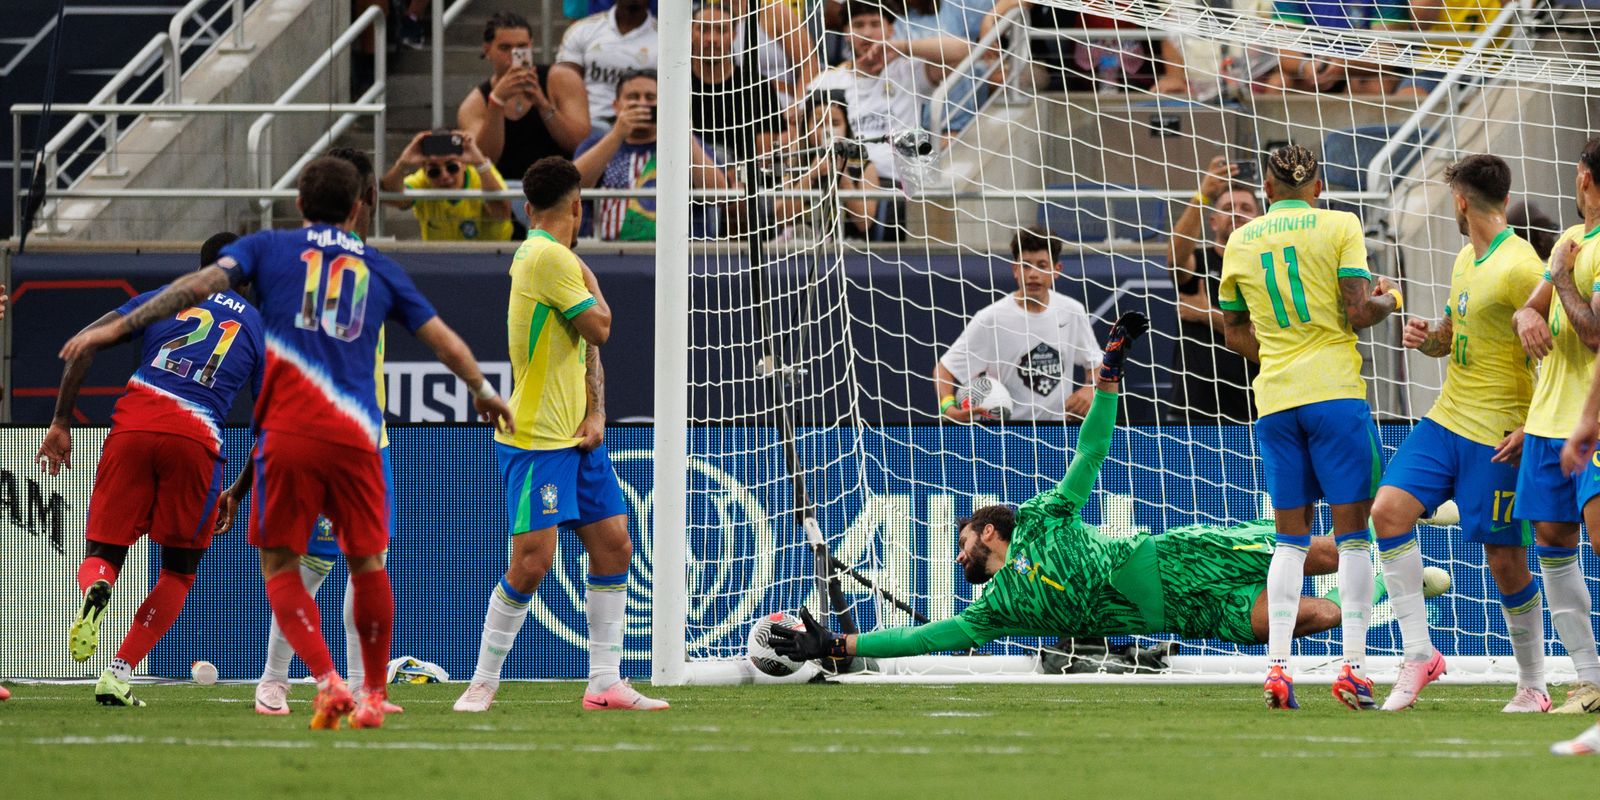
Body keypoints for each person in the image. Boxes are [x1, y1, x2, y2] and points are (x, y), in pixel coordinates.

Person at [59, 157, 514, 730]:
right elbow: (442, 339)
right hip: (357, 434)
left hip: (287, 431)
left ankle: (322, 680)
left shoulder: (269, 249)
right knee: (368, 564)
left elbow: (195, 288)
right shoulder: (379, 268)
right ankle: (371, 695)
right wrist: (483, 390)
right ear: (359, 206)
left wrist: (114, 328)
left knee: (282, 566)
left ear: (298, 204)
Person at [770, 314, 1427, 665]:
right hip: (1190, 616)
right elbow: (926, 639)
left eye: (961, 538)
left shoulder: (1044, 517)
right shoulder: (995, 610)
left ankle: (1400, 535)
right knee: (1314, 617)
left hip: (1183, 558)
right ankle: (1390, 592)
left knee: (1317, 551)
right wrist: (839, 644)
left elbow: (1091, 450)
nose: (958, 551)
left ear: (988, 530)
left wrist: (1108, 377)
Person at [1370, 154, 1584, 713]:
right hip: (1447, 418)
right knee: (1387, 513)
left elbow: (1559, 350)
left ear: (1461, 202)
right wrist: (1430, 337)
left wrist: (1532, 426)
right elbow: (1455, 333)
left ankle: (1533, 683)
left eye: (1452, 202)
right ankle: (1419, 654)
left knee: (1505, 561)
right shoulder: (1466, 257)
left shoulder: (1520, 266)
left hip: (1499, 433)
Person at [454, 157, 667, 713]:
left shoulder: (553, 257)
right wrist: (593, 282)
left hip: (575, 436)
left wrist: (597, 413)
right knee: (531, 562)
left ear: (528, 207)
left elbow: (585, 345)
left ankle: (604, 682)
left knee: (614, 545)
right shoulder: (550, 257)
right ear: (578, 206)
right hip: (538, 439)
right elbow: (600, 327)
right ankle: (482, 682)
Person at [39, 232, 265, 707]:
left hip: (135, 423)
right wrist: (238, 492)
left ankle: (98, 585)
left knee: (105, 550)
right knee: (178, 572)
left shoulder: (164, 297)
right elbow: (271, 426)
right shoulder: (260, 328)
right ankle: (118, 673)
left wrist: (60, 421)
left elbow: (84, 345)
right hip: (197, 439)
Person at [1217, 144, 1400, 710]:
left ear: (1267, 189)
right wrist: (1391, 298)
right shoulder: (1340, 224)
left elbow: (1232, 330)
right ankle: (1354, 670)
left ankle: (1277, 669)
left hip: (1276, 401)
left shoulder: (1240, 240)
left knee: (1290, 541)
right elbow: (1358, 311)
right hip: (1335, 395)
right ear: (1318, 187)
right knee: (1353, 538)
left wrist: (1278, 356)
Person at [233, 147, 402, 717]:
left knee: (366, 560)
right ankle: (275, 680)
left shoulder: (370, 267)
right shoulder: (312, 269)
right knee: (308, 564)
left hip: (367, 438)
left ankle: (360, 687)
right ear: (360, 201)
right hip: (319, 432)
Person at [1511, 139, 1600, 718]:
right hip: (1547, 421)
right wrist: (1526, 313)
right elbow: (1531, 306)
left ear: (1583, 176)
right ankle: (1590, 680)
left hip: (1592, 421)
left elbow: (1595, 335)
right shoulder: (1572, 238)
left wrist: (1564, 279)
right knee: (1552, 544)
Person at [935, 226, 1100, 422]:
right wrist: (948, 407)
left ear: (1057, 270)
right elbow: (944, 370)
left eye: (1041, 265)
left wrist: (1091, 388)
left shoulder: (1072, 311)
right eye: (1025, 266)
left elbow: (1096, 364)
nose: (1033, 274)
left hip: (1057, 433)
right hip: (1008, 432)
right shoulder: (990, 319)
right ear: (1015, 270)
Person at [806, 1, 970, 184]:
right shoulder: (826, 82)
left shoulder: (907, 71)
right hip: (848, 183)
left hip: (901, 184)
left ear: (891, 30)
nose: (867, 33)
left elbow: (966, 50)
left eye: (875, 24)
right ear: (846, 32)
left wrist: (902, 47)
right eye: (858, 25)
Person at [574, 69, 730, 241]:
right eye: (633, 97)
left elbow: (720, 195)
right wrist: (617, 135)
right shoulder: (595, 144)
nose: (642, 104)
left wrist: (685, 136)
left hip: (680, 251)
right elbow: (572, 188)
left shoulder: (689, 144)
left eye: (650, 98)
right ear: (616, 106)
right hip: (607, 251)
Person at [1165, 155, 1260, 423]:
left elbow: (1263, 337)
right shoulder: (1199, 262)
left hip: (1254, 408)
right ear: (1214, 221)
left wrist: (1206, 314)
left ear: (1259, 220)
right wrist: (1203, 195)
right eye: (1228, 207)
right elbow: (1175, 260)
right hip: (1194, 409)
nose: (1237, 212)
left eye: (1245, 207)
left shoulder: (1268, 269)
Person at [459, 12, 591, 180]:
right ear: (487, 50)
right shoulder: (475, 104)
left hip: (559, 185)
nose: (514, 55)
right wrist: (496, 102)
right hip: (504, 188)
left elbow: (580, 145)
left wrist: (543, 104)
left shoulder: (561, 79)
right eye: (505, 48)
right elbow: (482, 162)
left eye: (522, 47)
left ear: (531, 46)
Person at [774, 91, 882, 239]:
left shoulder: (865, 167)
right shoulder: (792, 164)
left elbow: (864, 223)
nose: (827, 130)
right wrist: (811, 176)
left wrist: (841, 175)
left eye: (835, 123)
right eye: (819, 123)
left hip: (849, 246)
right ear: (807, 128)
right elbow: (781, 218)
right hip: (800, 244)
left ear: (846, 128)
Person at [691, 5, 788, 167]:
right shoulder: (677, 87)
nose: (712, 39)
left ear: (734, 35)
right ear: (690, 33)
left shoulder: (757, 86)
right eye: (703, 30)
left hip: (742, 178)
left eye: (722, 30)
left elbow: (764, 159)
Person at [381, 129, 513, 242]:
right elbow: (390, 196)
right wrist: (402, 164)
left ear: (464, 165)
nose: (444, 176)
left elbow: (502, 213)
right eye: (434, 171)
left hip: (490, 255)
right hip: (439, 257)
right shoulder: (422, 180)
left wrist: (480, 163)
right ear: (424, 170)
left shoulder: (483, 174)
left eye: (452, 167)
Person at [557, 0, 658, 130]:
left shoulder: (665, 39)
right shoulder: (582, 30)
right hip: (589, 126)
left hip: (642, 127)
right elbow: (562, 82)